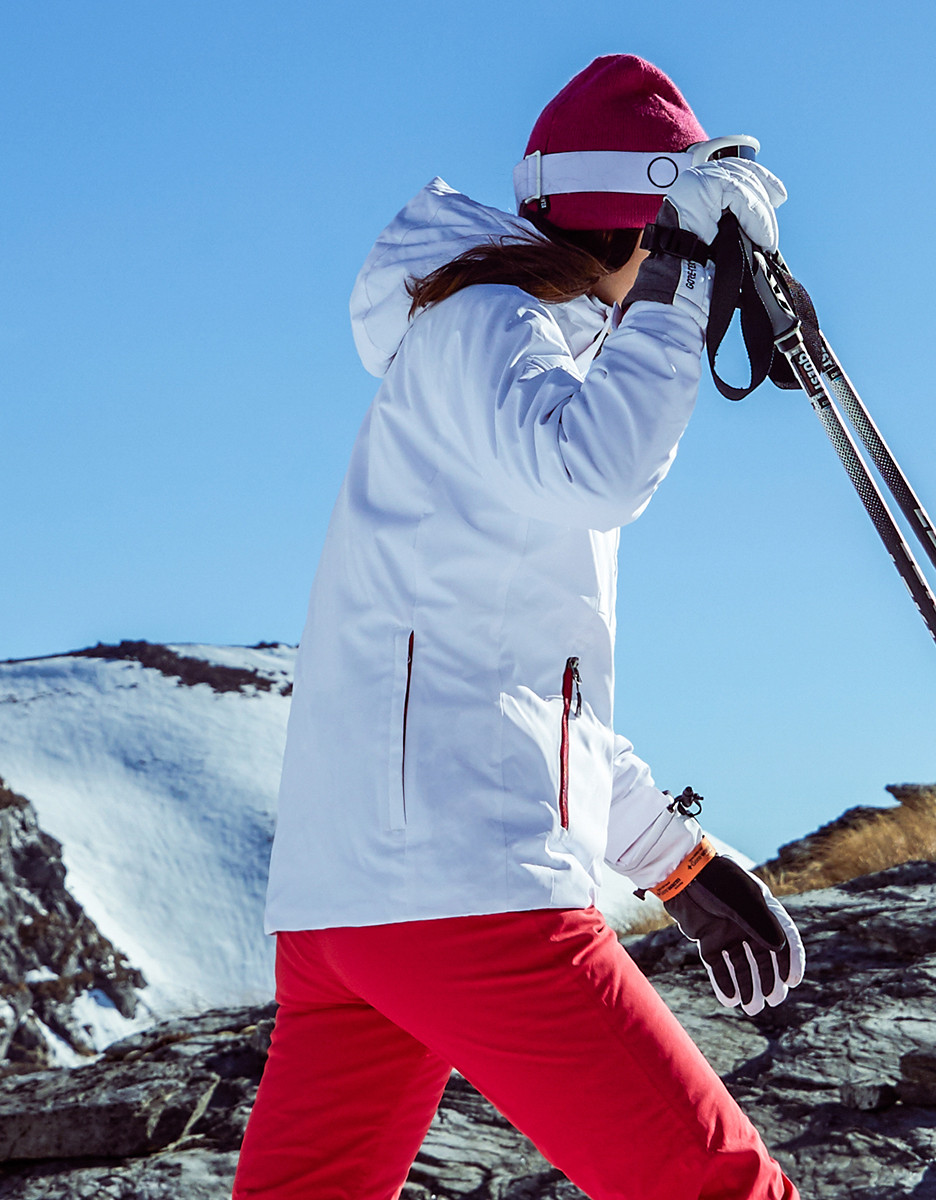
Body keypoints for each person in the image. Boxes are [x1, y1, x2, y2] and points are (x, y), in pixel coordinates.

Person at [233, 54, 804, 1200]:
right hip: (461, 893)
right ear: (641, 213)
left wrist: (676, 862)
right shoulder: (487, 327)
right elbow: (597, 470)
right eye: (676, 219)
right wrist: (685, 280)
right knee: (713, 1191)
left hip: (359, 911)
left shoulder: (485, 348)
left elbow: (524, 683)